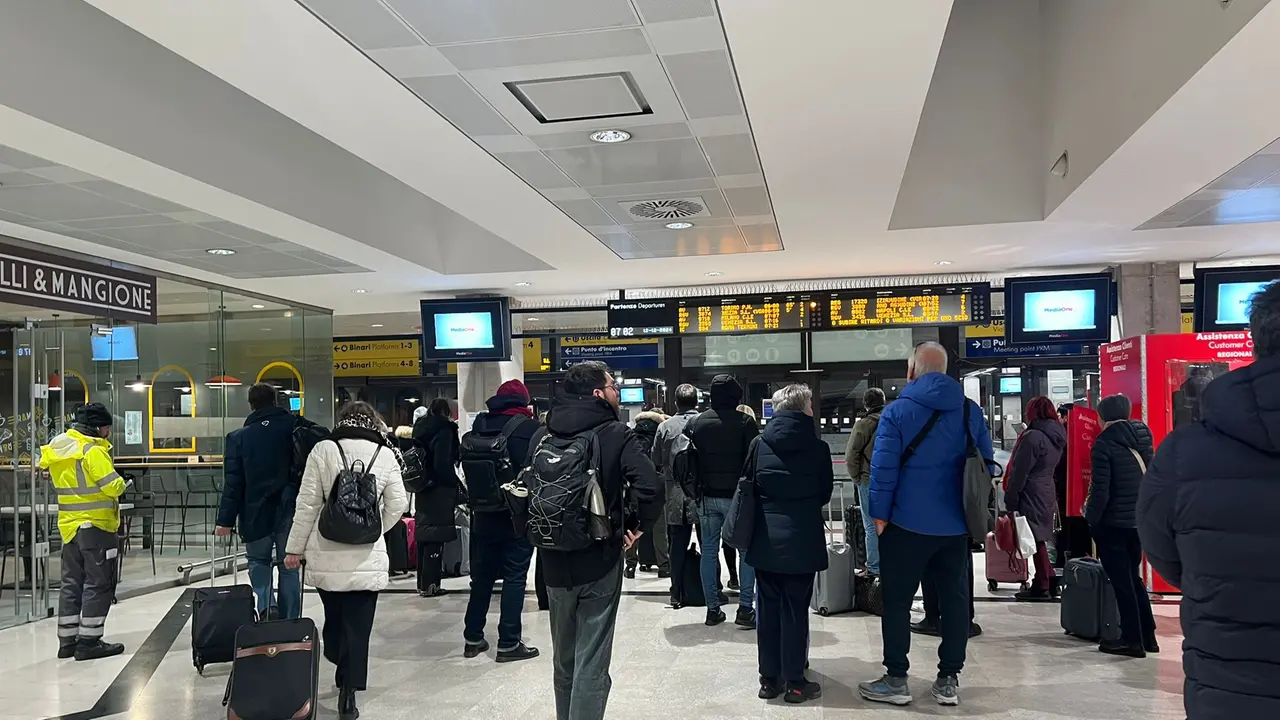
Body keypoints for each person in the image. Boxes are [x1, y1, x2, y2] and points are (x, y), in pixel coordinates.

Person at [1139, 282, 1280, 720]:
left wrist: (1213, 577)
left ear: (1256, 341)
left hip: (1228, 672)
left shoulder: (1187, 450)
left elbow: (1161, 545)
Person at [858, 342, 995, 708]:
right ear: (947, 371)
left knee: (898, 601)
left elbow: (883, 471)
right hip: (954, 528)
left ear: (911, 371)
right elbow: (986, 463)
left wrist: (879, 516)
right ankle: (948, 679)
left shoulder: (897, 411)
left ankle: (897, 678)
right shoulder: (969, 410)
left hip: (905, 524)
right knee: (954, 601)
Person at [532, 361, 661, 720]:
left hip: (552, 562)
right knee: (592, 657)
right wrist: (635, 527)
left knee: (564, 659)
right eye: (613, 386)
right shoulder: (615, 432)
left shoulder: (542, 434)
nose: (617, 393)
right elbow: (651, 487)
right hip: (600, 558)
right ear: (597, 393)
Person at [284, 401, 408, 720]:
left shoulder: (323, 450)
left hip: (327, 551)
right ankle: (348, 693)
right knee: (359, 626)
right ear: (373, 422)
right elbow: (398, 503)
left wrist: (294, 549)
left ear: (342, 421)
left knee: (335, 621)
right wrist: (374, 527)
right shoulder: (385, 453)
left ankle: (340, 660)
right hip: (367, 556)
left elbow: (308, 504)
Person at [746, 384, 834, 704]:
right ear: (802, 408)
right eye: (810, 403)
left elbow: (749, 486)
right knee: (796, 609)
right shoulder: (818, 448)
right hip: (803, 539)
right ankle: (796, 682)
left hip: (766, 539)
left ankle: (769, 680)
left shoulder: (759, 444)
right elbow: (824, 493)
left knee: (767, 609)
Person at [462, 379, 541, 662]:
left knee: (481, 578)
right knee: (515, 577)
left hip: (482, 514)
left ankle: (473, 637)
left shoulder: (479, 426)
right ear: (524, 402)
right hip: (516, 516)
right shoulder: (532, 430)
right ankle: (508, 642)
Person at [42, 403, 127, 661]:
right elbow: (113, 486)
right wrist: (124, 482)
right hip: (96, 526)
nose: (107, 433)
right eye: (106, 428)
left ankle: (67, 641)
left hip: (69, 527)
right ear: (97, 428)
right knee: (99, 582)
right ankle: (89, 641)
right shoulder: (91, 450)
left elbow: (44, 469)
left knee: (71, 582)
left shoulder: (60, 446)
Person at [215, 383, 304, 621]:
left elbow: (233, 484)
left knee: (257, 561)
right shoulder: (295, 428)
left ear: (252, 405)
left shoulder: (237, 438)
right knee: (289, 565)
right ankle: (290, 619)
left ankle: (266, 609)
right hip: (289, 509)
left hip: (254, 512)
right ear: (276, 401)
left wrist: (225, 520)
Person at [1086, 393, 1156, 658]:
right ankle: (1147, 634)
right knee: (1133, 578)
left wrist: (1091, 519)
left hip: (1113, 522)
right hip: (1138, 520)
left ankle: (1131, 640)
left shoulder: (1105, 443)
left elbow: (1101, 490)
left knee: (1121, 582)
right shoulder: (1142, 437)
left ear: (1103, 415)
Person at [690, 374, 760, 628]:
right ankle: (744, 609)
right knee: (745, 551)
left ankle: (712, 610)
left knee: (709, 551)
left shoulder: (697, 423)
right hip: (738, 498)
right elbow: (754, 461)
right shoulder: (745, 422)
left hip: (706, 496)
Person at [1004, 396, 1067, 601]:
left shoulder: (1033, 437)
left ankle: (1042, 584)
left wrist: (1011, 496)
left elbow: (1020, 471)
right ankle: (1048, 576)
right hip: (1047, 489)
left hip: (1031, 491)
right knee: (1038, 535)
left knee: (1033, 537)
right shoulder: (1057, 435)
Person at [652, 384, 702, 607]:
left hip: (674, 493)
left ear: (675, 403)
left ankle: (676, 592)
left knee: (677, 545)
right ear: (697, 402)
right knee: (707, 542)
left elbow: (656, 459)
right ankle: (711, 591)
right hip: (701, 492)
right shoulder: (704, 423)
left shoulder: (665, 427)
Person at [410, 399, 461, 598]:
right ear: (447, 411)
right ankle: (432, 584)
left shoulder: (420, 428)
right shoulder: (445, 430)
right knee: (436, 536)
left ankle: (422, 583)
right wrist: (451, 482)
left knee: (424, 534)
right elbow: (442, 462)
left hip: (421, 487)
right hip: (439, 489)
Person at [845, 388, 885, 577]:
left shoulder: (864, 424)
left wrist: (857, 478)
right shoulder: (893, 420)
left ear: (866, 404)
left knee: (871, 526)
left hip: (868, 479)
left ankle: (874, 568)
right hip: (892, 481)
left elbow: (851, 455)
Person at [624, 409, 668, 579]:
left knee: (632, 526)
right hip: (656, 486)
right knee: (658, 528)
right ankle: (664, 565)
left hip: (634, 487)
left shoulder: (631, 436)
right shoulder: (660, 433)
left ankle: (630, 566)